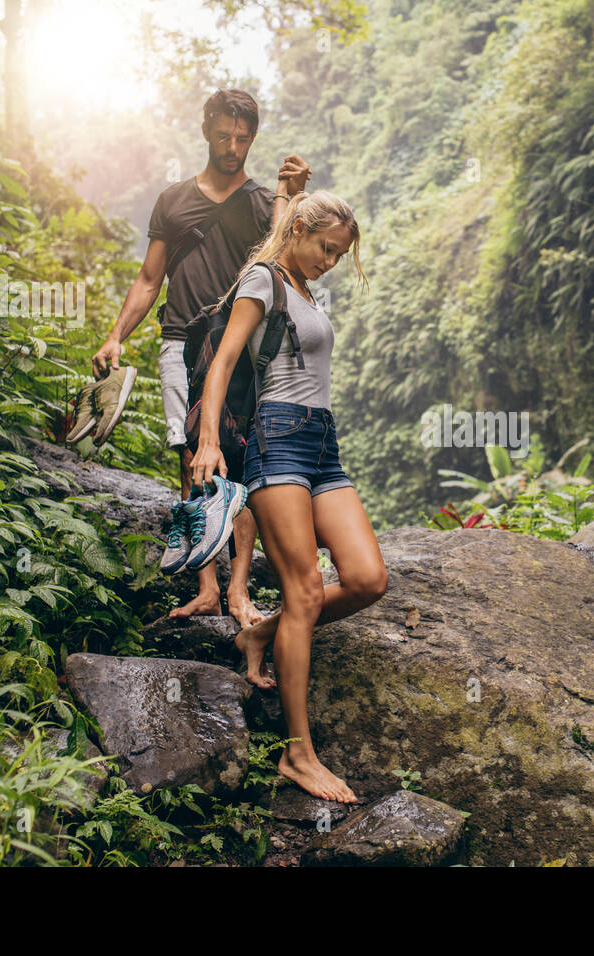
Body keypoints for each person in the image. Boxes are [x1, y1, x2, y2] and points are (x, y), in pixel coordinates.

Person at [191, 190, 386, 804]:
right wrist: (207, 443)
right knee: (304, 589)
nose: (331, 260)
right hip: (276, 439)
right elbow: (224, 363)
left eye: (340, 253)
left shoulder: (302, 288)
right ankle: (298, 755)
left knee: (367, 578)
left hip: (322, 443)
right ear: (299, 230)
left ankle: (260, 633)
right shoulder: (262, 278)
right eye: (327, 247)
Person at [91, 89, 311, 629]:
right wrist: (116, 335)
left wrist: (290, 196)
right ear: (206, 130)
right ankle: (207, 586)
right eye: (223, 135)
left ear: (252, 139)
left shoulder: (263, 204)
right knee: (191, 457)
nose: (232, 146)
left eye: (242, 138)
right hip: (177, 341)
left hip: (240, 346)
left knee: (242, 461)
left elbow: (283, 264)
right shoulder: (173, 200)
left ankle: (238, 590)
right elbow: (149, 280)